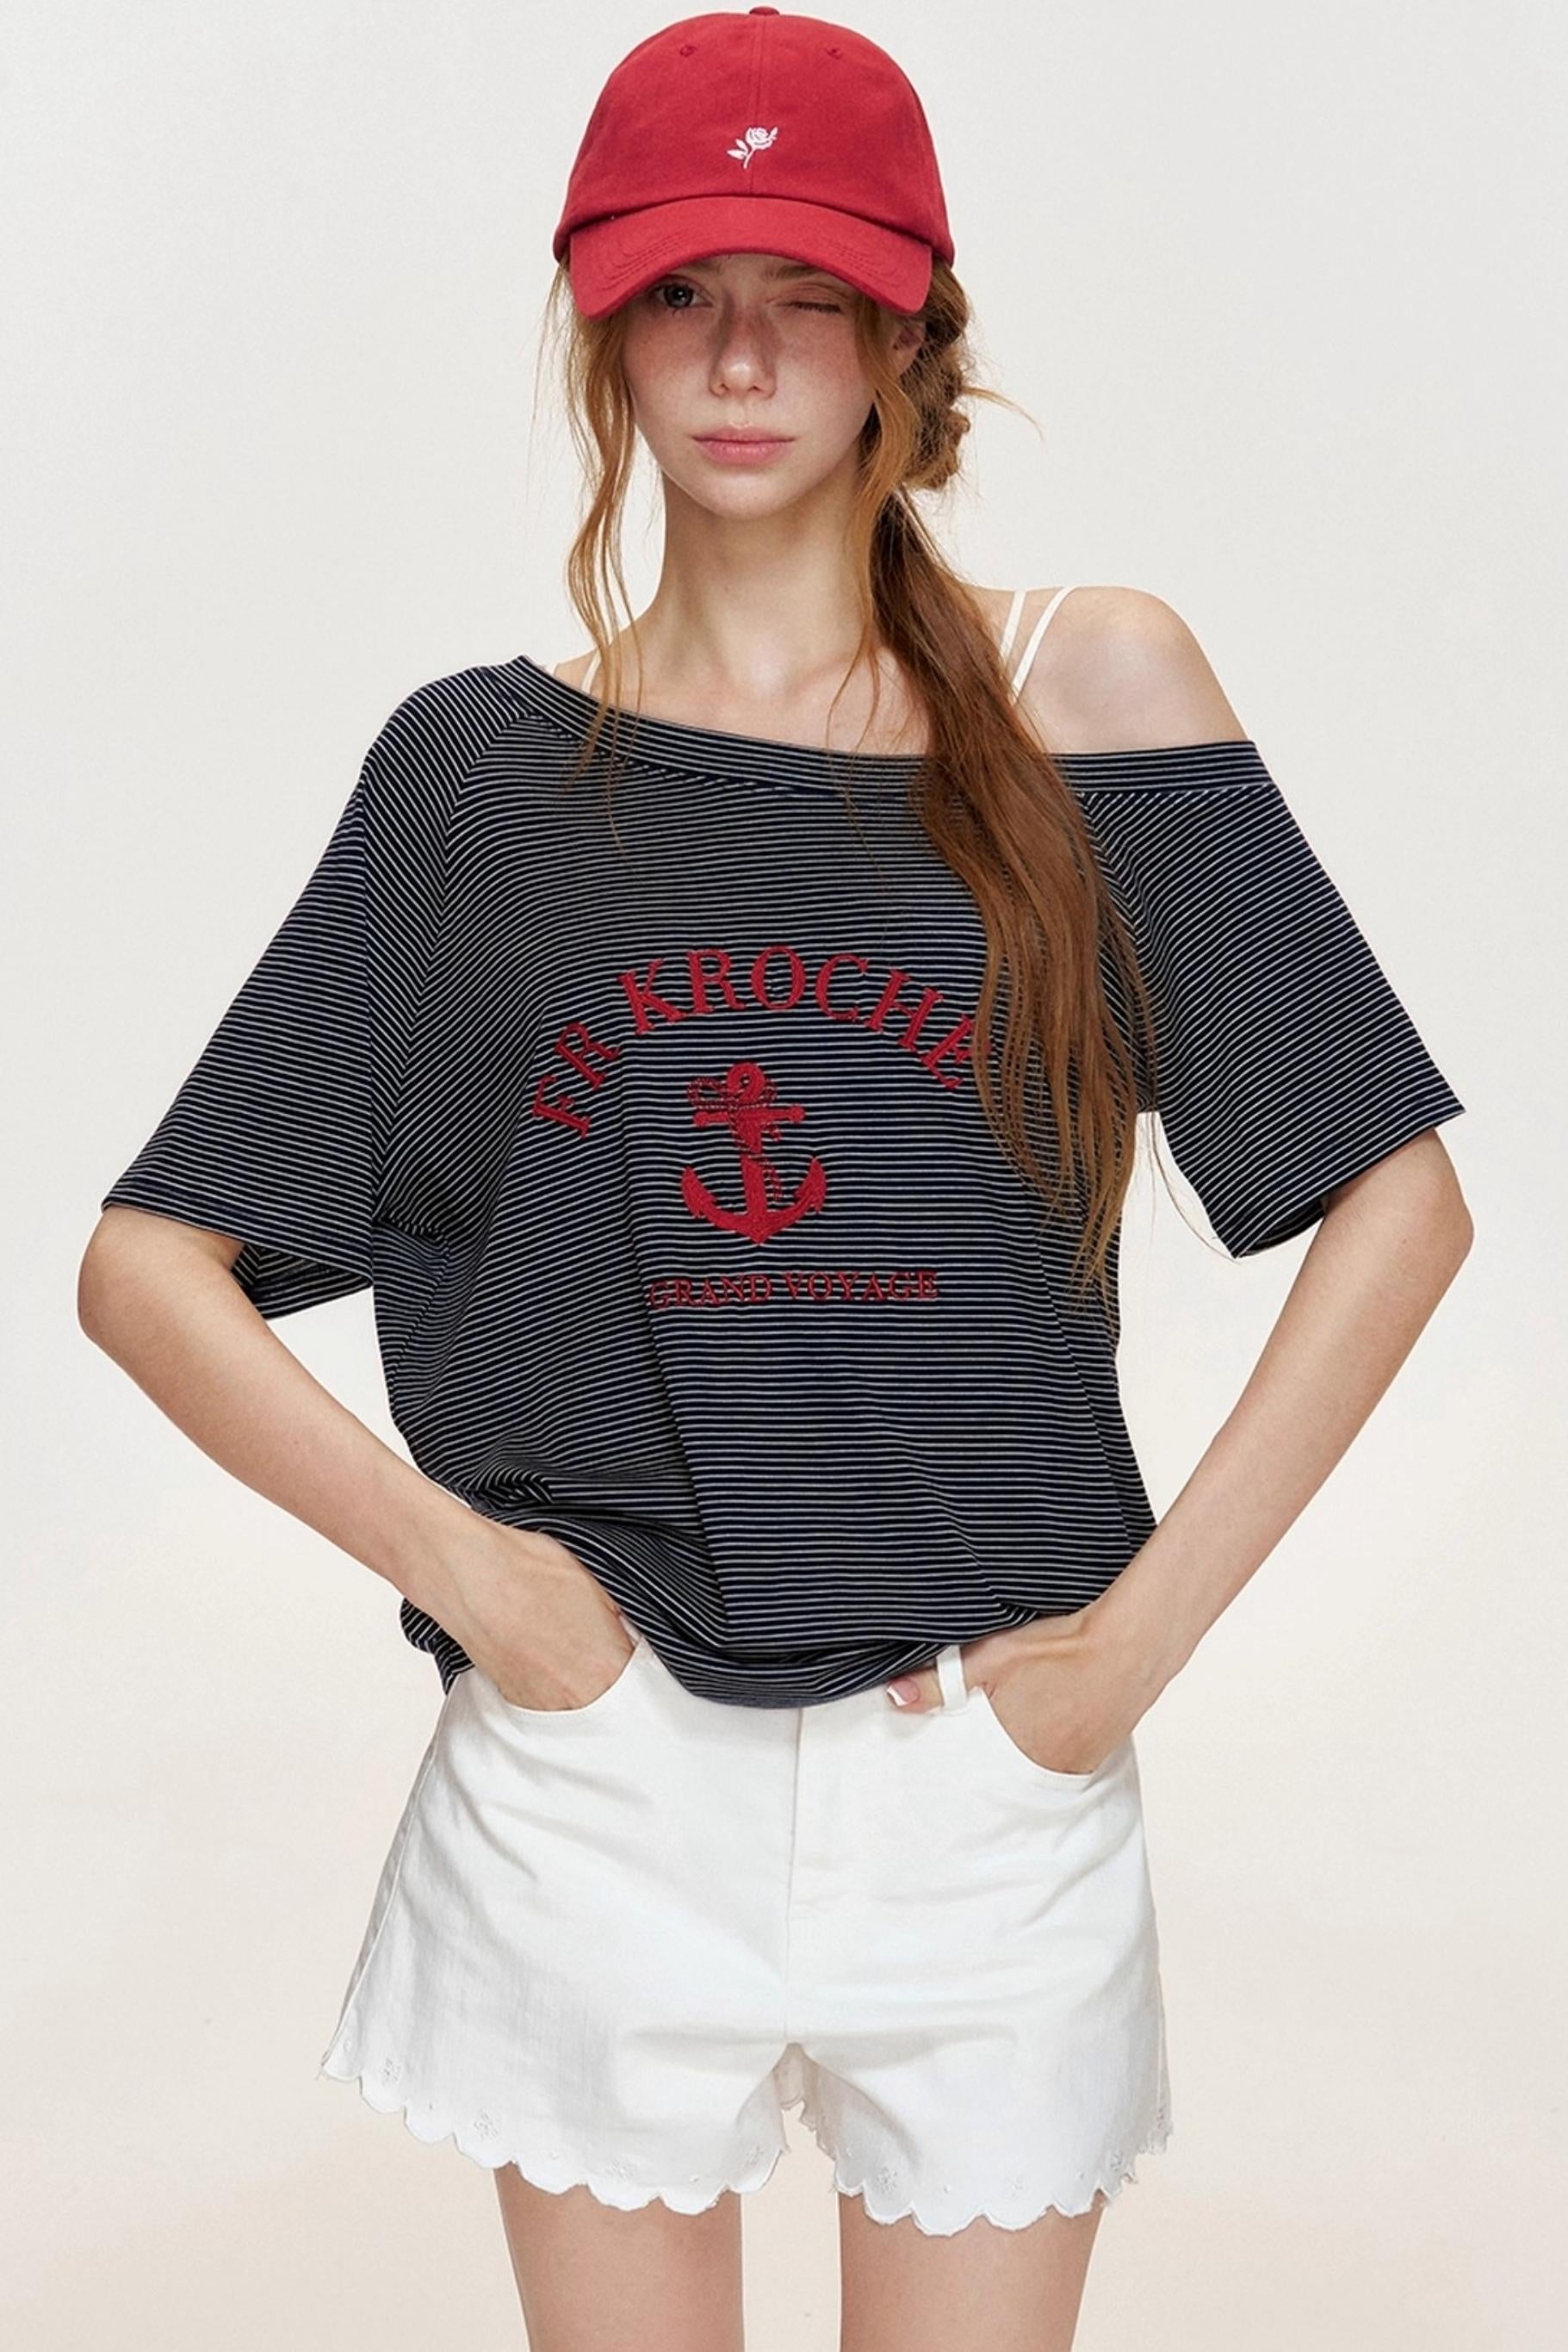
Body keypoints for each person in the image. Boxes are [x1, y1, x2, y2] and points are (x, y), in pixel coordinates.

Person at [78, 9, 1472, 2348]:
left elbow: (1397, 1202)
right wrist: (479, 1583)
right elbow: (151, 1265)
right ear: (604, 331)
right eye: (681, 294)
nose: (741, 358)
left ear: (909, 333)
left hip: (985, 1773)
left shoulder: (1085, 693)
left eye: (808, 295)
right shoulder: (483, 778)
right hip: (602, 1777)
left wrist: (1129, 1652)